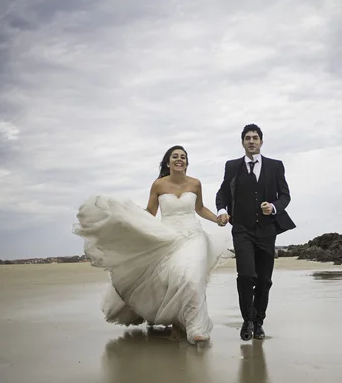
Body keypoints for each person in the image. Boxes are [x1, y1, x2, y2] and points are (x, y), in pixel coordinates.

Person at [72, 145, 232, 344]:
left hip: (194, 236)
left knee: (191, 277)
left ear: (187, 163)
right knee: (174, 278)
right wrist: (129, 220)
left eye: (183, 157)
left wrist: (217, 219)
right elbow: (150, 212)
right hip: (168, 236)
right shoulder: (158, 185)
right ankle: (177, 321)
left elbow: (199, 208)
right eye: (175, 156)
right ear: (168, 162)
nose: (179, 159)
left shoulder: (195, 184)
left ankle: (196, 327)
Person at [215, 124, 296, 341]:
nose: (252, 141)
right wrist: (222, 211)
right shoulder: (232, 166)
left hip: (267, 230)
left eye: (255, 138)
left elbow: (285, 196)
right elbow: (222, 193)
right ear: (242, 142)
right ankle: (248, 320)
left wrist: (274, 207)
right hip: (241, 229)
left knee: (263, 280)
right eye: (248, 138)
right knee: (246, 276)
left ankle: (259, 322)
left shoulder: (275, 166)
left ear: (261, 141)